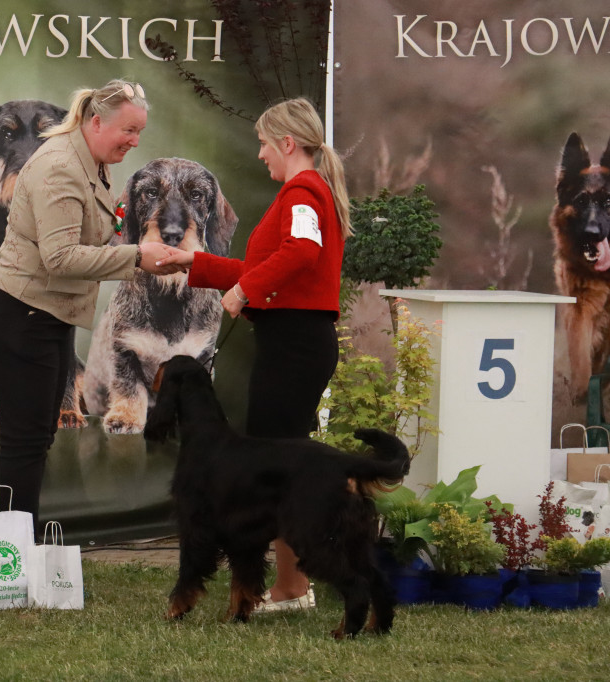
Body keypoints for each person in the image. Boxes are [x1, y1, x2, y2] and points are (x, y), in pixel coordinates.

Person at [156, 97, 352, 613]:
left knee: (279, 464)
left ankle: (293, 587)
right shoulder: (302, 193)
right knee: (279, 462)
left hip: (294, 343)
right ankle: (290, 583)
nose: (261, 154)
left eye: (265, 144)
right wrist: (192, 262)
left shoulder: (304, 190)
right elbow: (263, 264)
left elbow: (299, 254)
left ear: (287, 143)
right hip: (291, 339)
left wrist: (244, 293)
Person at [0, 79, 185, 532]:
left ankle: (13, 547)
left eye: (139, 132)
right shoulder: (60, 167)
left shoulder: (91, 160)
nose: (135, 141)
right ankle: (8, 555)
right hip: (17, 310)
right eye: (128, 130)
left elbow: (85, 233)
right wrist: (137, 258)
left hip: (46, 311)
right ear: (94, 121)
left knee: (38, 435)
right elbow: (61, 257)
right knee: (25, 441)